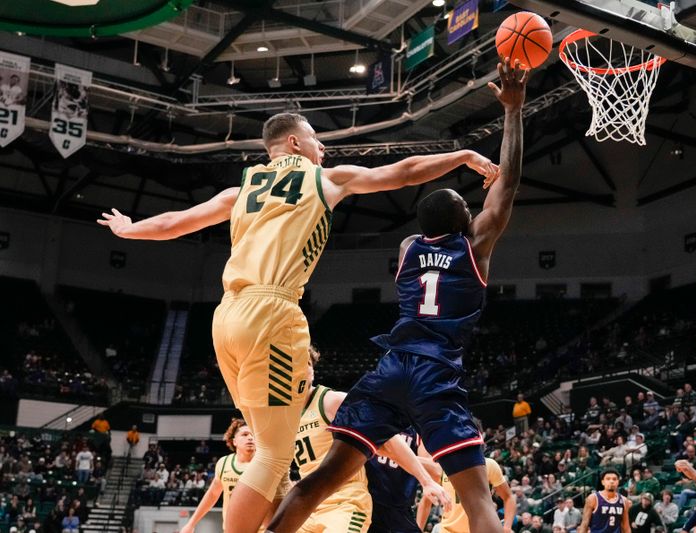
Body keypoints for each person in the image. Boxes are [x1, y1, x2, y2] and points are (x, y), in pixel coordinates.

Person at [99, 111, 498, 532]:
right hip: (271, 312)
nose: (321, 147)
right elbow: (402, 173)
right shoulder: (322, 179)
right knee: (272, 453)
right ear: (293, 143)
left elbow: (173, 223)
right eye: (315, 139)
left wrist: (129, 229)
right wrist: (463, 155)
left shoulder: (240, 190)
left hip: (226, 315)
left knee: (270, 450)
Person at [263, 58, 528, 533]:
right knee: (478, 497)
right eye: (467, 207)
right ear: (462, 220)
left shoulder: (408, 250)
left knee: (319, 480)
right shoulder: (475, 248)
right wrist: (513, 110)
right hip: (435, 375)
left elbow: (434, 225)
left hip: (390, 369)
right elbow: (506, 186)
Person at [298, 344, 446, 533]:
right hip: (355, 501)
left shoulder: (419, 426)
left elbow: (437, 471)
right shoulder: (370, 406)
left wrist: (376, 448)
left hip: (392, 508)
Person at [179, 418, 258, 532]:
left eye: (253, 435)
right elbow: (212, 494)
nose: (250, 438)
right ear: (234, 441)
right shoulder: (224, 463)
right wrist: (191, 523)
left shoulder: (264, 464)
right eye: (245, 434)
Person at [417, 454, 516, 533]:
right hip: (448, 529)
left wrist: (507, 527)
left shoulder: (488, 464)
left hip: (481, 528)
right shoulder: (443, 467)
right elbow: (426, 502)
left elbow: (509, 497)